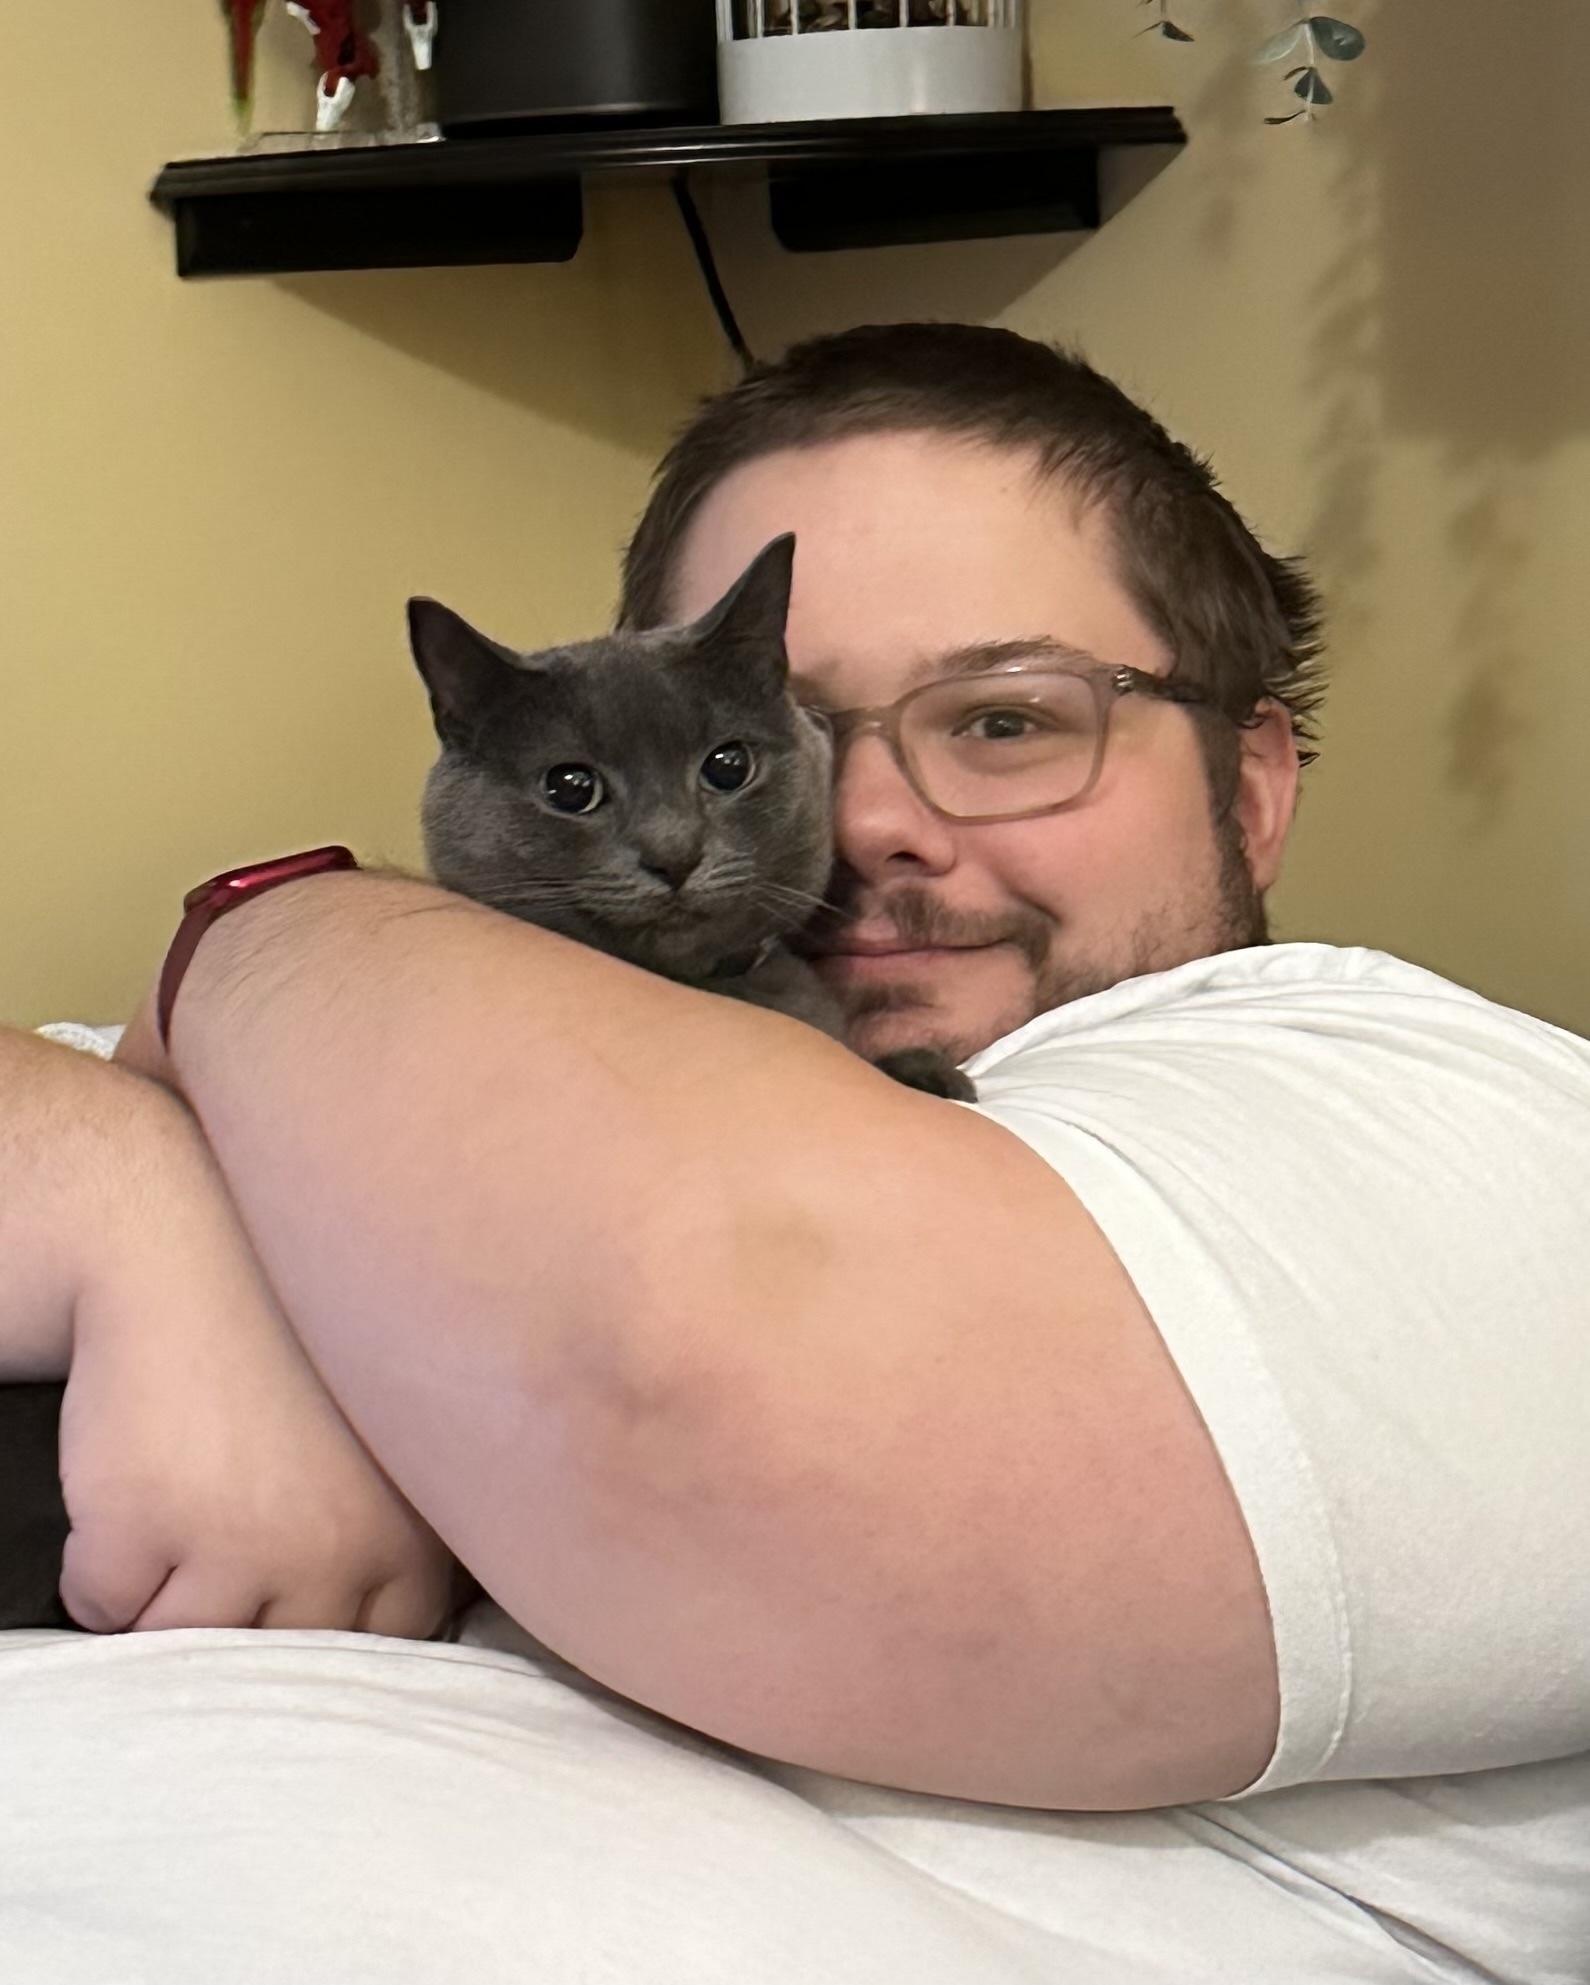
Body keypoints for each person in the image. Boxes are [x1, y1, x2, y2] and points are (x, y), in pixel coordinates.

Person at [3, 324, 1587, 1979]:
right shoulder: (464, 1047)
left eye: (1001, 721)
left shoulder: (1427, 1110)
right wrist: (145, 1215)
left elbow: (712, 1344)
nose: (873, 819)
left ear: (1251, 785)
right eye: (808, 728)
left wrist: (254, 931)